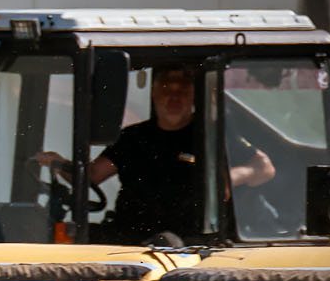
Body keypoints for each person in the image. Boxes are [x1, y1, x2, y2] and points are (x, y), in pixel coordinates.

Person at [35, 64, 275, 246]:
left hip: (190, 245)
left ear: (193, 96)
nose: (174, 98)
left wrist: (228, 177)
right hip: (130, 240)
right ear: (154, 94)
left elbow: (264, 168)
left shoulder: (212, 136)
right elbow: (93, 176)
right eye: (166, 89)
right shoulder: (133, 138)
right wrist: (59, 164)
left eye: (182, 91)